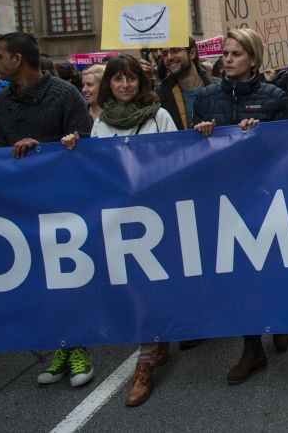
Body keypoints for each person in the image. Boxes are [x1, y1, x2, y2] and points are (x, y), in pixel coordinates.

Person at [0, 33, 93, 384]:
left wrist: (43, 149)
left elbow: (84, 147)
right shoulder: (2, 99)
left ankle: (80, 346)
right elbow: (2, 145)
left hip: (65, 202)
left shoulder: (65, 95)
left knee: (70, 277)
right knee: (43, 279)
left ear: (18, 60)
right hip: (23, 205)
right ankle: (62, 346)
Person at [59, 55, 178, 405]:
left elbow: (178, 160)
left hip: (158, 215)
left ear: (141, 84)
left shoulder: (159, 116)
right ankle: (154, 345)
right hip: (122, 219)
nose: (125, 85)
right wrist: (75, 151)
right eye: (117, 79)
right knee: (137, 285)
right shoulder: (101, 123)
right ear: (108, 84)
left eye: (131, 79)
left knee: (156, 282)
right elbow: (97, 170)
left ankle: (144, 364)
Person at [190, 29, 288, 385]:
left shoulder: (275, 96)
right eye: (225, 53)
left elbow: (286, 149)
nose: (227, 59)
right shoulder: (204, 99)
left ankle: (280, 317)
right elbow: (193, 150)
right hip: (224, 195)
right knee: (240, 270)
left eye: (235, 54)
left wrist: (260, 134)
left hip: (264, 194)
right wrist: (201, 133)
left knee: (270, 264)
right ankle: (252, 348)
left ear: (252, 58)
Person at [158, 38, 218, 130]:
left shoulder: (219, 87)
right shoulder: (162, 93)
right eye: (165, 53)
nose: (169, 57)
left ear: (192, 53)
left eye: (175, 50)